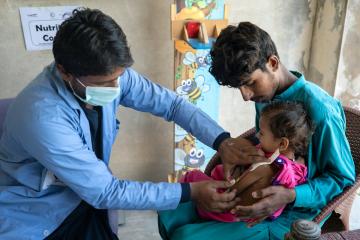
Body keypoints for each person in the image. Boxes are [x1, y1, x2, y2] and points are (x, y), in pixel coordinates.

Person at [0, 9, 255, 240]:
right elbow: (106, 192)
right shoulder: (43, 118)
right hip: (41, 213)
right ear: (65, 71)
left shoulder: (111, 74)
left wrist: (222, 140)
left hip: (85, 193)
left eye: (118, 78)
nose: (116, 88)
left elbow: (173, 105)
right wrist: (191, 192)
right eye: (103, 83)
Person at [158, 22, 355, 240]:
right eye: (239, 87)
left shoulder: (322, 110)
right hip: (257, 189)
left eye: (250, 83)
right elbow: (266, 148)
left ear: (272, 63)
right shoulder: (265, 98)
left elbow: (342, 180)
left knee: (186, 237)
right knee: (171, 208)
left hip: (290, 215)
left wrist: (290, 195)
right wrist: (244, 159)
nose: (246, 95)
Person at [178, 101, 311, 224]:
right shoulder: (297, 166)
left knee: (192, 176)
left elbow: (230, 192)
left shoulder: (266, 167)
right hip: (241, 213)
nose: (257, 136)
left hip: (226, 212)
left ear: (282, 143)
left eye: (262, 133)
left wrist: (234, 173)